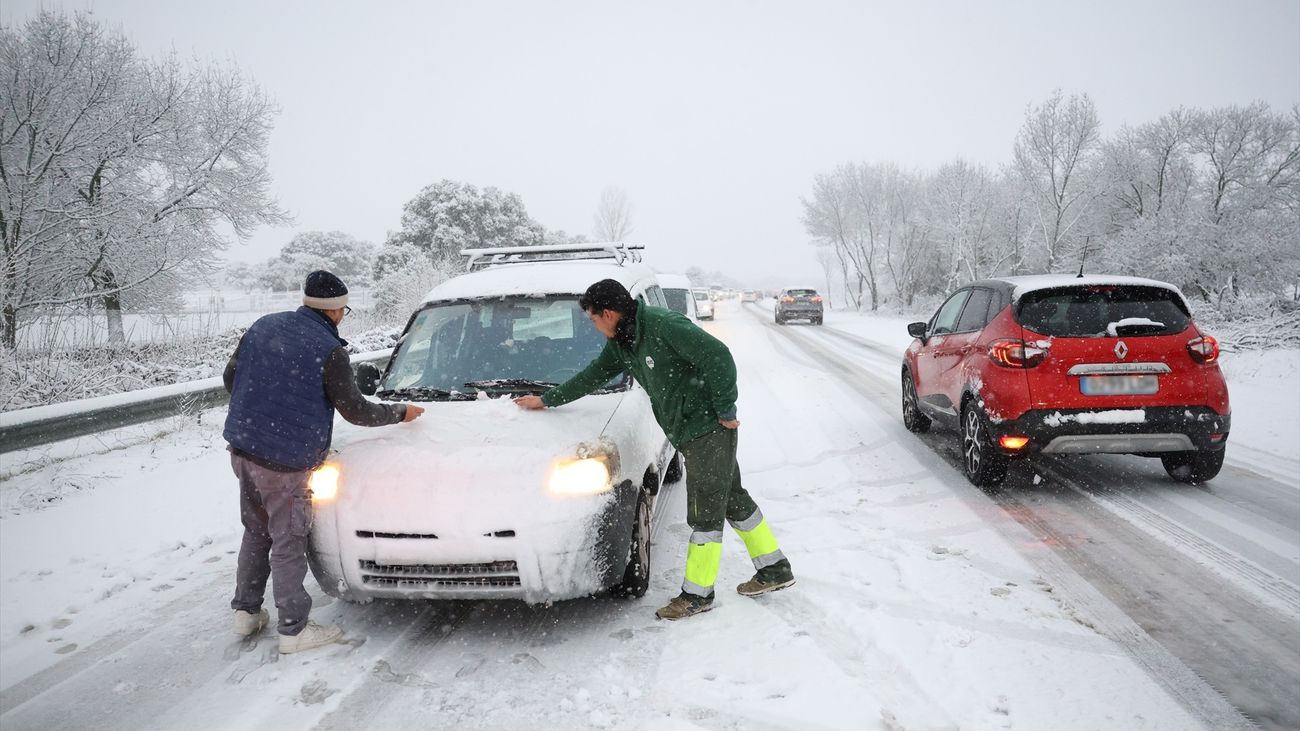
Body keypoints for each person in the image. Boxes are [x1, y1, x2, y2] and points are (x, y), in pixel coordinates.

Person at [514, 279, 793, 620]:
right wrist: (547, 399)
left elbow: (718, 355)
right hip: (688, 430)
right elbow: (593, 375)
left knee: (704, 514)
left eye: (593, 319)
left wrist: (725, 409)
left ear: (608, 313)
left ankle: (697, 595)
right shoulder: (623, 342)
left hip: (708, 428)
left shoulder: (662, 326)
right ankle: (775, 568)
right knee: (732, 498)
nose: (593, 326)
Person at [222, 270, 425, 653]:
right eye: (344, 310)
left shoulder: (263, 326)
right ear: (335, 311)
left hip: (243, 448)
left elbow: (231, 378)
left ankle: (246, 613)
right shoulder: (328, 350)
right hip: (285, 463)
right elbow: (355, 410)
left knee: (256, 530)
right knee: (287, 539)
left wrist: (264, 412)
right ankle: (294, 630)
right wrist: (400, 413)